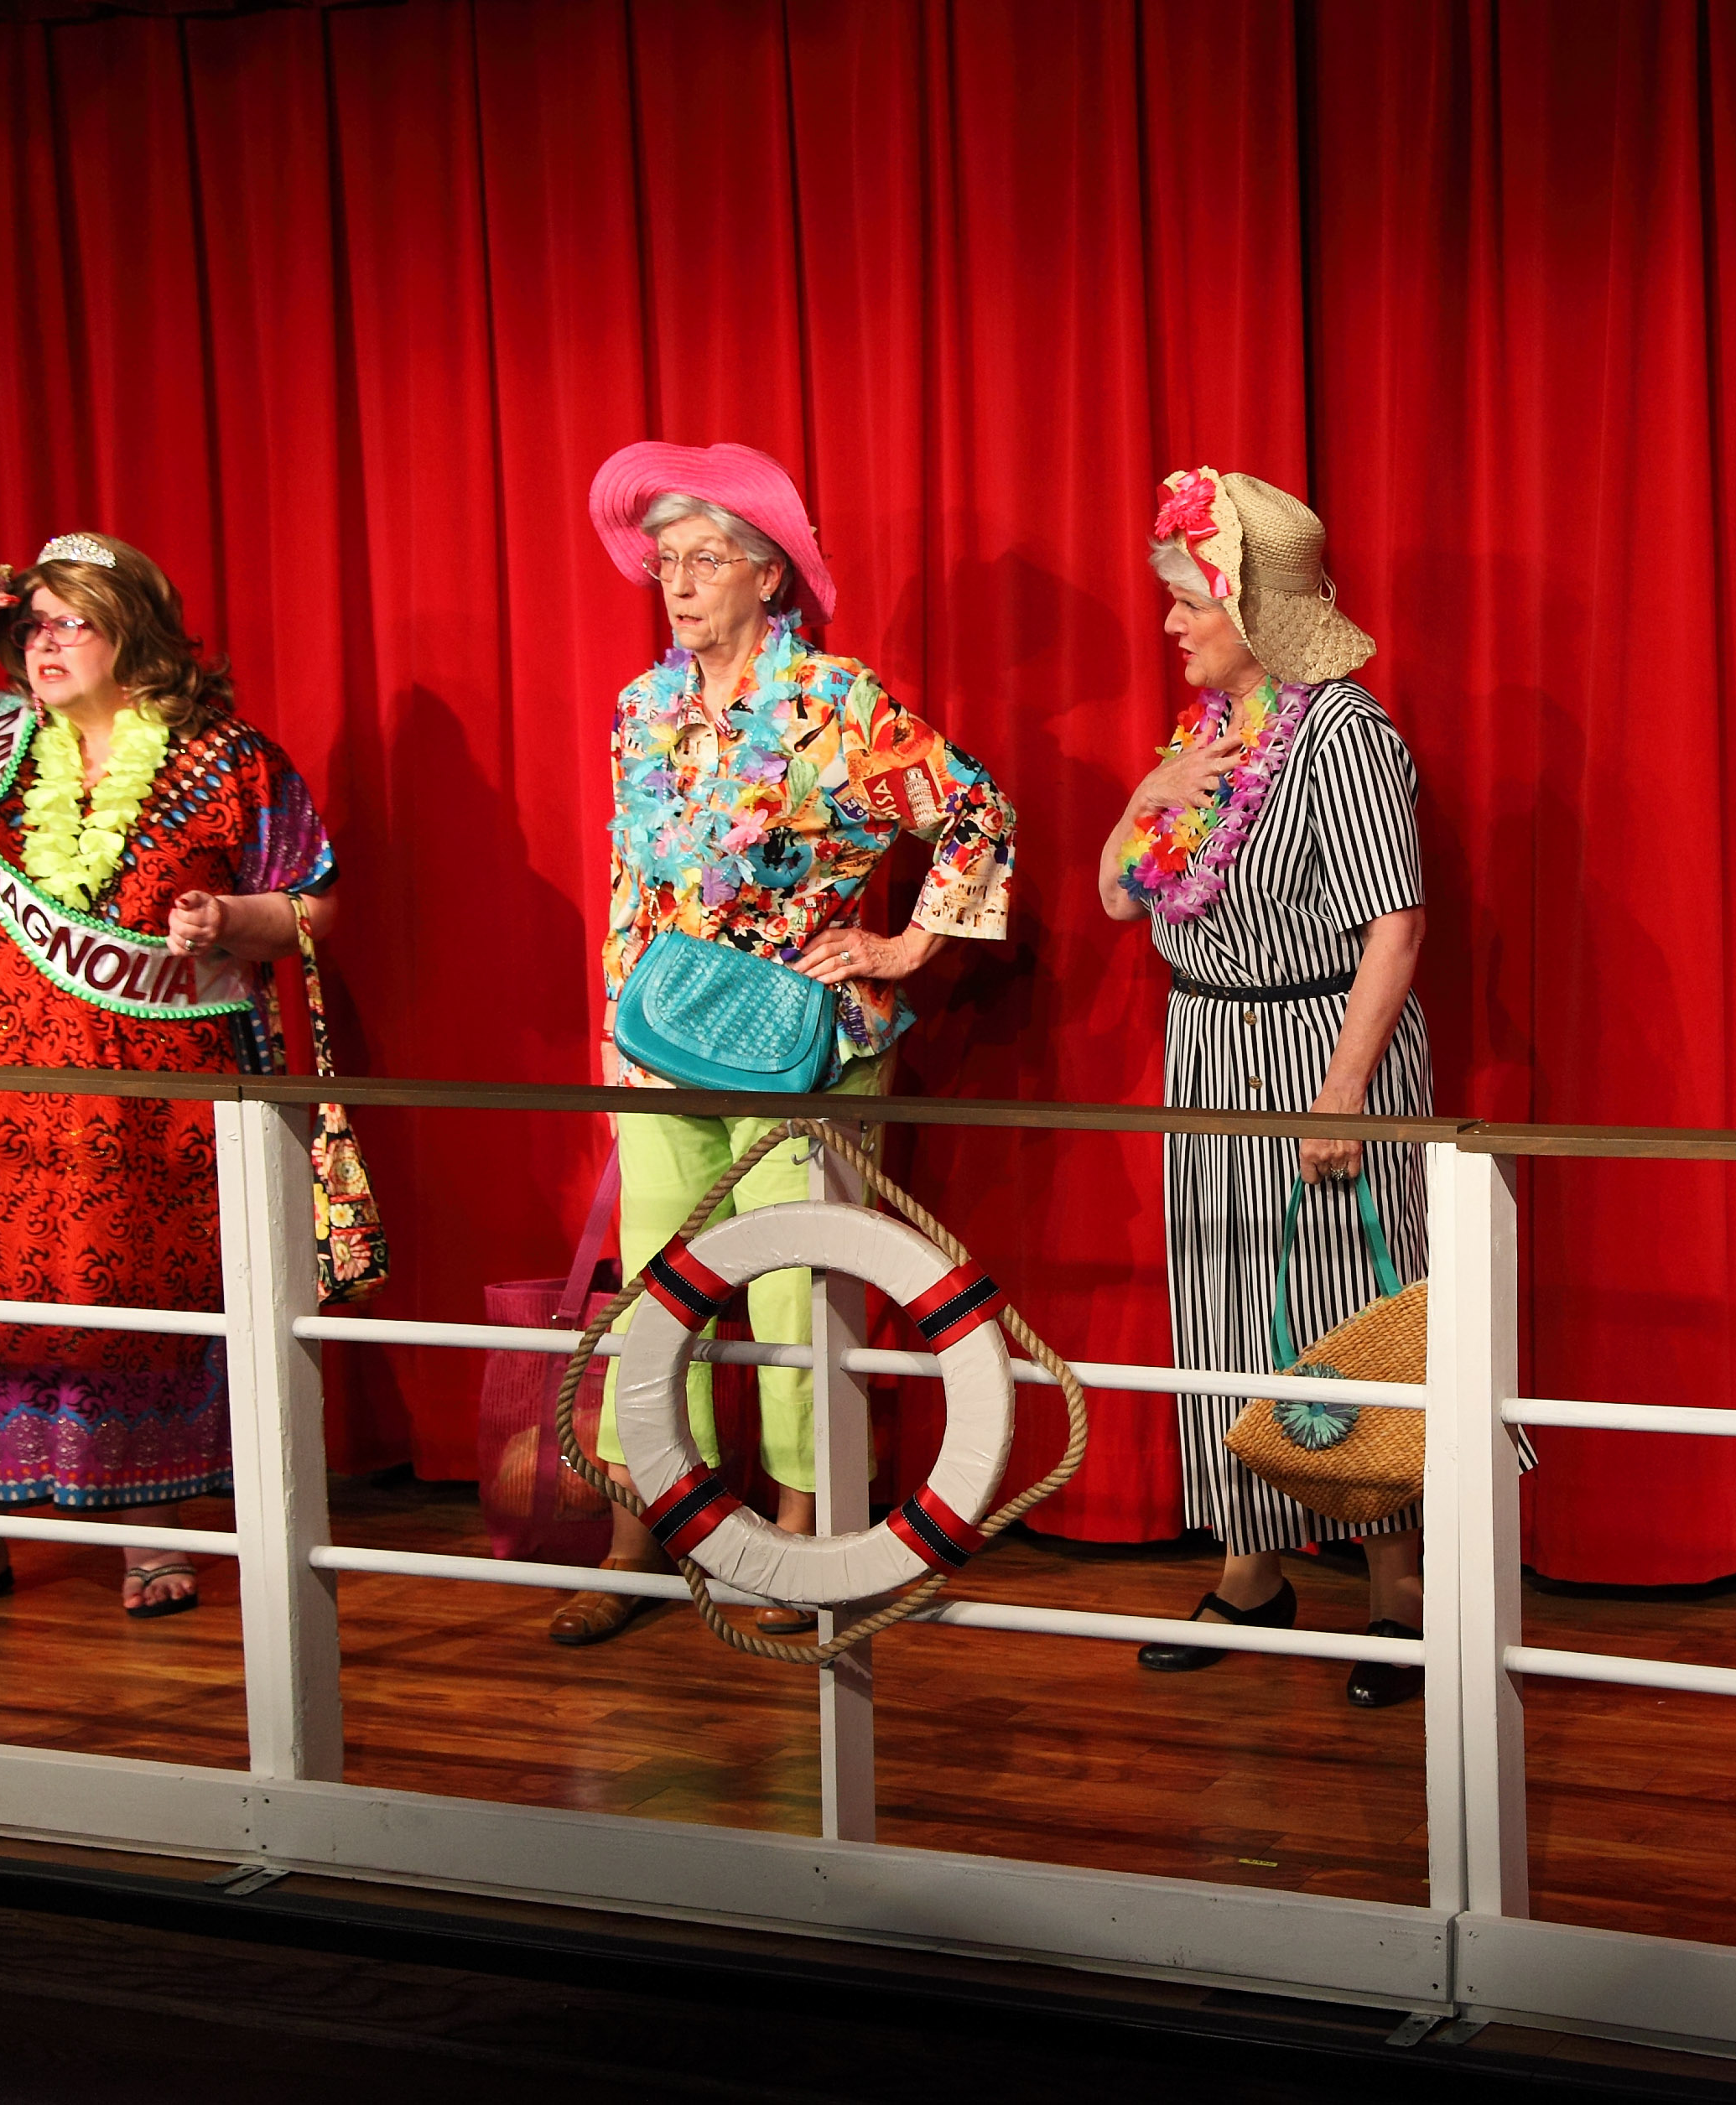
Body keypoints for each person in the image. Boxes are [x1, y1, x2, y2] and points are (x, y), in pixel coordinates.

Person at [0, 534, 340, 1625]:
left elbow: (312, 902)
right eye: (30, 626)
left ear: (131, 630)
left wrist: (228, 918)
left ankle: (152, 1523)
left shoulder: (229, 757)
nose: (43, 645)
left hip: (165, 1102)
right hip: (0, 1103)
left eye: (70, 623)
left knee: (143, 1307)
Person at [553, 439, 1016, 1648]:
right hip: (660, 1036)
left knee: (794, 1292)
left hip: (801, 1040)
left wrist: (904, 947)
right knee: (655, 1289)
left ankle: (797, 1543)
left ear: (770, 576)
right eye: (666, 560)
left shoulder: (838, 702)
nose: (679, 582)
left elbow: (974, 810)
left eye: (708, 559)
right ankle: (644, 1539)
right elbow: (629, 880)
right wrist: (609, 1023)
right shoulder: (641, 708)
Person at [1100, 466, 1452, 1710]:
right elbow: (1119, 897)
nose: (1170, 624)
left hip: (1316, 1046)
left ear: (1254, 611)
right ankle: (1250, 1574)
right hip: (1205, 1051)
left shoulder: (1346, 734)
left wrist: (1343, 1090)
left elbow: (1395, 924)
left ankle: (1401, 1593)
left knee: (1343, 1308)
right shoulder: (1211, 731)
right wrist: (1140, 804)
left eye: (1189, 602)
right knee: (1224, 1303)